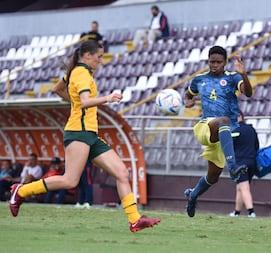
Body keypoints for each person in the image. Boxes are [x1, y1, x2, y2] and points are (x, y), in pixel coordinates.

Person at [9, 40, 161, 232]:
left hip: (90, 134)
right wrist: (107, 98)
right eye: (99, 57)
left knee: (122, 172)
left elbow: (57, 90)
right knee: (69, 180)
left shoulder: (75, 72)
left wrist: (75, 104)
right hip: (79, 132)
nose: (101, 61)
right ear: (87, 56)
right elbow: (86, 101)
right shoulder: (81, 73)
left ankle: (135, 220)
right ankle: (20, 191)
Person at [183, 45, 253, 217]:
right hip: (205, 127)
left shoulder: (233, 78)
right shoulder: (199, 79)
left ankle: (192, 195)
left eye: (218, 62)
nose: (214, 65)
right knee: (224, 120)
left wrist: (243, 74)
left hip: (223, 135)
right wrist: (187, 102)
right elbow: (188, 95)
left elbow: (248, 93)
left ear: (225, 62)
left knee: (212, 177)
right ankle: (233, 167)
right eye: (211, 62)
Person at [229, 111, 259, 218]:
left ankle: (251, 211)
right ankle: (236, 212)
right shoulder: (252, 129)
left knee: (244, 187)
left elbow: (230, 147)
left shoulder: (235, 130)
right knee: (240, 187)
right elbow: (256, 146)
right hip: (252, 162)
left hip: (240, 163)